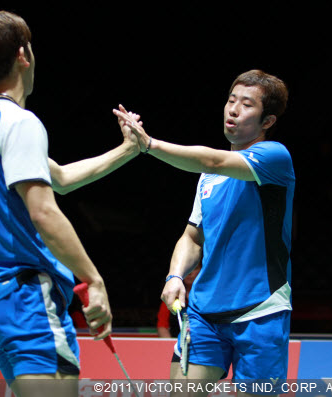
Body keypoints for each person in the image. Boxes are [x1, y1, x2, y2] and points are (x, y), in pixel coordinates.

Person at [0, 11, 141, 396]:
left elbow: (60, 179)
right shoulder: (21, 123)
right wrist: (94, 279)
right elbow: (43, 211)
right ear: (24, 55)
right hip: (25, 298)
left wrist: (128, 149)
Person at [115, 69, 294, 395]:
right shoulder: (208, 179)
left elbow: (211, 160)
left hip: (260, 310)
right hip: (204, 313)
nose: (233, 109)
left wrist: (150, 144)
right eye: (231, 100)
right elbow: (192, 237)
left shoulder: (275, 158)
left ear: (267, 121)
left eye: (247, 105)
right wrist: (174, 277)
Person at [157, 263, 200, 338]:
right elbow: (162, 326)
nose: (190, 273)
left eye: (194, 268)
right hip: (175, 345)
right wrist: (170, 345)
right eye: (187, 269)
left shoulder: (207, 297)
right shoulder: (172, 295)